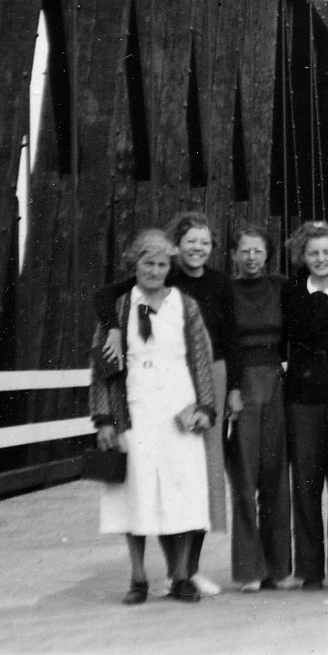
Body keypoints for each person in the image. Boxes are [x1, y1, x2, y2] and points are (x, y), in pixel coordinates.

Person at [96, 211, 239, 596]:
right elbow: (102, 368)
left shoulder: (185, 305)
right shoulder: (120, 309)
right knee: (137, 491)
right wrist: (105, 418)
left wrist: (206, 408)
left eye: (162, 263)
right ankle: (138, 576)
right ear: (134, 264)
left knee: (185, 488)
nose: (156, 270)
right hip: (136, 409)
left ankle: (180, 576)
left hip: (179, 407)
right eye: (148, 262)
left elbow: (202, 360)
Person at [281, 220, 328, 589]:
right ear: (302, 256)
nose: (321, 258)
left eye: (327, 252)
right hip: (302, 395)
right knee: (306, 482)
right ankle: (310, 570)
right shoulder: (290, 290)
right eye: (313, 253)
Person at [221, 224, 295, 591]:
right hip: (242, 384)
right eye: (244, 251)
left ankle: (279, 569)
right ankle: (250, 569)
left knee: (275, 476)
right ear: (234, 255)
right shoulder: (225, 291)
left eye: (257, 251)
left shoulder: (281, 286)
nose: (251, 258)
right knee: (244, 477)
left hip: (276, 382)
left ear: (267, 254)